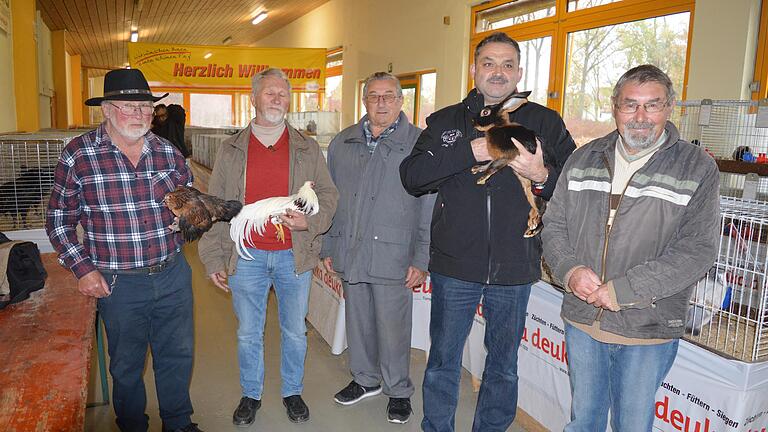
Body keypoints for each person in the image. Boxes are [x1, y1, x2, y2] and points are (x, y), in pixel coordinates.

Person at [400, 32, 575, 432]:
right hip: (454, 265)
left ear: (519, 72)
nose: (499, 72)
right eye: (489, 63)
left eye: (508, 64)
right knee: (443, 359)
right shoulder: (445, 121)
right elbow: (412, 177)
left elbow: (575, 185)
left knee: (503, 364)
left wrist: (541, 175)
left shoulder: (545, 121)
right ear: (474, 69)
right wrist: (471, 151)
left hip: (515, 267)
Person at [541, 65, 720, 431]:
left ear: (670, 107)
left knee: (632, 424)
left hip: (647, 326)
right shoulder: (583, 159)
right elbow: (554, 226)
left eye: (652, 106)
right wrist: (570, 271)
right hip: (583, 319)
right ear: (614, 107)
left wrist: (624, 290)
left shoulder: (696, 167)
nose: (640, 117)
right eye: (630, 105)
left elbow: (697, 249)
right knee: (584, 420)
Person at [45, 69, 202, 432]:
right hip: (118, 282)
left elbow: (190, 203)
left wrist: (191, 216)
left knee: (176, 356)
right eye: (130, 106)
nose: (140, 115)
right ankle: (132, 424)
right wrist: (83, 268)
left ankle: (178, 423)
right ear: (107, 110)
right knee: (126, 364)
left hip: (172, 273)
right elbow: (58, 219)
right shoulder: (79, 155)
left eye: (146, 107)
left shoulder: (168, 152)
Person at [197, 68, 338, 426]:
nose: (277, 99)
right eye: (270, 93)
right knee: (248, 331)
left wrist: (311, 222)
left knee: (294, 330)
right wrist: (213, 256)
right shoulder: (231, 149)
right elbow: (216, 204)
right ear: (254, 99)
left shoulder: (307, 147)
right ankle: (251, 394)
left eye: (282, 94)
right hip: (246, 255)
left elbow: (329, 194)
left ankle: (292, 391)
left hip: (295, 253)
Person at [320, 72, 435, 424]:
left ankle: (398, 390)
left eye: (389, 96)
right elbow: (331, 198)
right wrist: (327, 243)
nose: (381, 103)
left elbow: (428, 205)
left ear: (401, 101)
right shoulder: (343, 143)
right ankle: (365, 379)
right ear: (364, 101)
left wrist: (420, 257)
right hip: (351, 249)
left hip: (394, 253)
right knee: (358, 321)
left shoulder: (419, 144)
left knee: (393, 325)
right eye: (374, 96)